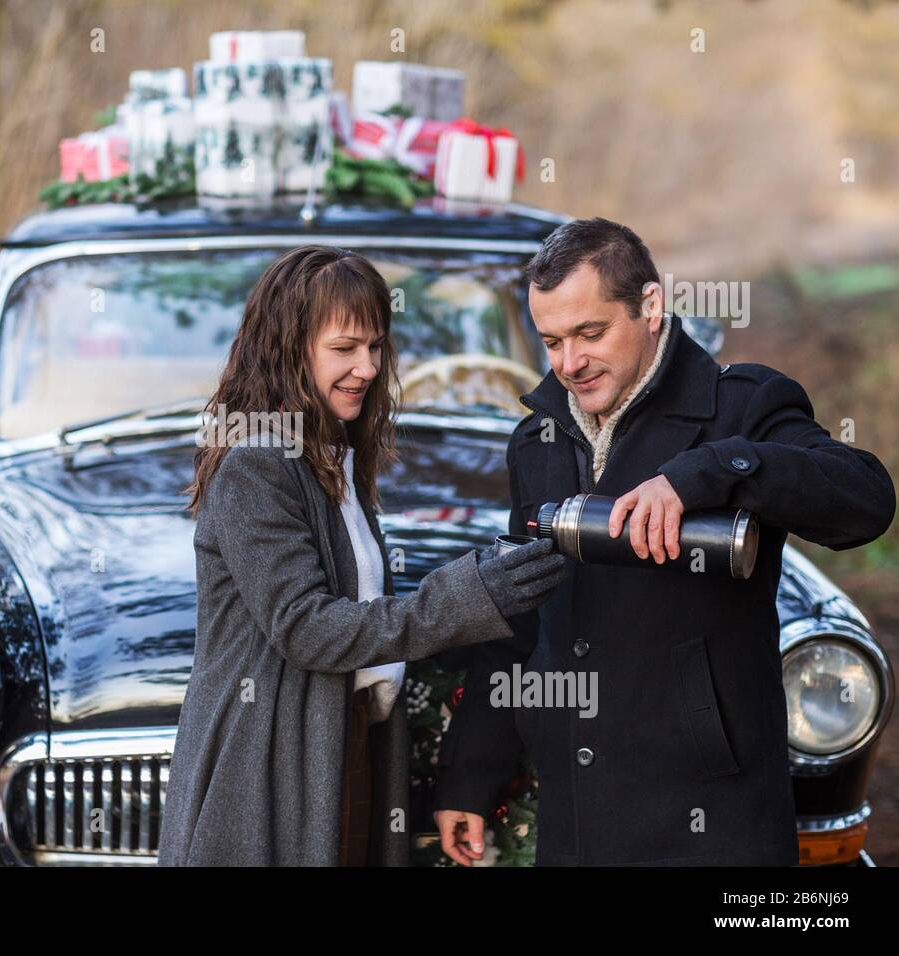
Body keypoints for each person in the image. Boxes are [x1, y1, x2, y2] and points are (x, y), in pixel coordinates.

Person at [433, 217, 896, 866]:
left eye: (590, 333)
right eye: (551, 341)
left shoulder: (741, 406)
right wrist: (470, 780)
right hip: (574, 823)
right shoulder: (533, 443)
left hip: (711, 827)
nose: (569, 363)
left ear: (650, 306)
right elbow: (515, 621)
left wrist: (706, 474)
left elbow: (865, 499)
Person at [157, 244, 566, 866]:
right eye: (344, 349)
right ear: (289, 349)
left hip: (343, 752)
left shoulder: (332, 459)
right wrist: (467, 595)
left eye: (376, 347)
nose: (369, 367)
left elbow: (367, 615)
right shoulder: (256, 466)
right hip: (267, 773)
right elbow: (309, 628)